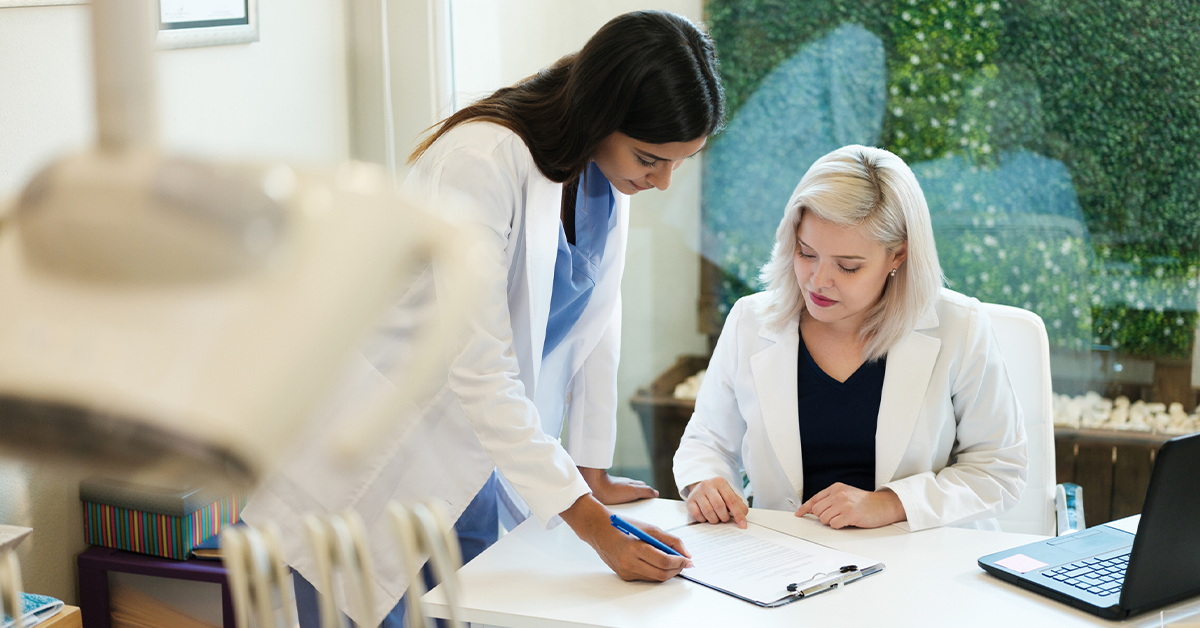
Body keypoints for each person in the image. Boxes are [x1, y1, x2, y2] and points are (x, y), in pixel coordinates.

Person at [243, 10, 724, 627]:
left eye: (679, 163)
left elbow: (598, 320)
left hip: (477, 465)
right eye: (652, 159)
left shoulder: (604, 174)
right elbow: (481, 372)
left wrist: (590, 467)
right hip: (378, 454)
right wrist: (592, 525)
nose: (662, 182)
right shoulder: (480, 161)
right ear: (604, 116)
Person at [672, 145, 1027, 533]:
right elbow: (707, 441)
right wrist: (704, 482)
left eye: (848, 266)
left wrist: (891, 504)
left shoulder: (959, 326)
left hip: (914, 560)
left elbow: (999, 471)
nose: (819, 280)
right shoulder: (750, 321)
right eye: (807, 253)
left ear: (898, 256)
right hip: (783, 558)